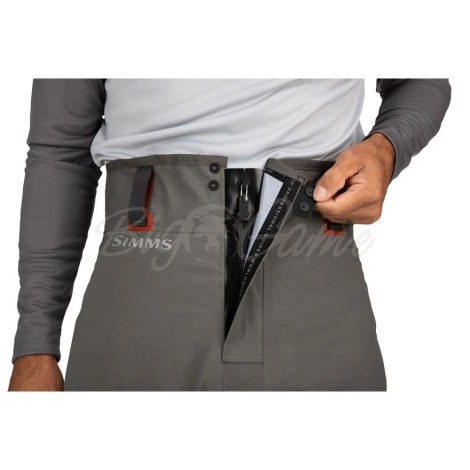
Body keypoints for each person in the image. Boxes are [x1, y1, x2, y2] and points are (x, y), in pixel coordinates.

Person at [8, 79, 451, 391]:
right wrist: (35, 346)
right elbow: (61, 151)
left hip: (316, 278)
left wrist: (386, 149)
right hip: (142, 292)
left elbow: (421, 77)